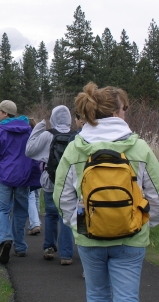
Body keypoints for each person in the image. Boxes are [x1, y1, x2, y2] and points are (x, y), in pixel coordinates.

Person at [55, 82, 159, 301]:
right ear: (115, 113)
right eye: (125, 109)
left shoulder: (76, 147)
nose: (125, 113)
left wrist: (77, 223)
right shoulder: (139, 147)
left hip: (90, 235)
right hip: (131, 236)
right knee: (127, 297)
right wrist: (144, 222)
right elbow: (156, 193)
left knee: (96, 294)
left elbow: (62, 194)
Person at [0, 100, 41, 264]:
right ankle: (20, 247)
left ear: (5, 113)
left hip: (4, 175)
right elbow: (34, 155)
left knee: (3, 210)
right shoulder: (28, 130)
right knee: (20, 211)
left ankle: (4, 239)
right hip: (23, 177)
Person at [25, 105, 75, 264]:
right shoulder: (76, 136)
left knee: (51, 214)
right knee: (66, 217)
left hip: (50, 178)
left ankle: (49, 247)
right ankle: (66, 254)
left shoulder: (47, 134)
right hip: (69, 180)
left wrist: (39, 126)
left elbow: (29, 151)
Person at [27, 117, 41, 236]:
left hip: (30, 170)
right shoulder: (40, 138)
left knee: (30, 196)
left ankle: (34, 222)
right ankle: (37, 219)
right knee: (36, 196)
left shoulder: (27, 138)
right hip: (40, 169)